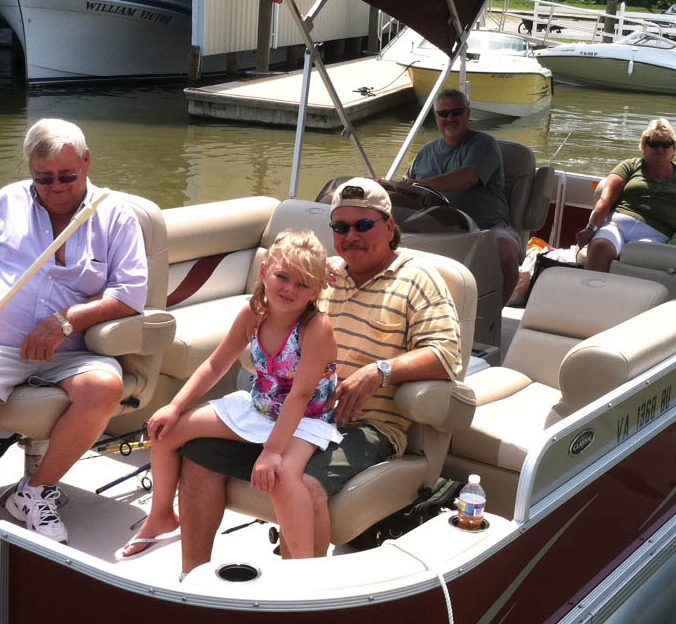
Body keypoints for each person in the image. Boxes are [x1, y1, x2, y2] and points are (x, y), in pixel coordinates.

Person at [175, 177, 461, 573]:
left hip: (369, 424)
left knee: (303, 483)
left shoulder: (420, 278)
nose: (351, 236)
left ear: (390, 227)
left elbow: (446, 356)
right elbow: (269, 316)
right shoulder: (320, 275)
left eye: (364, 225)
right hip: (298, 412)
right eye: (341, 227)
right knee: (198, 454)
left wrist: (378, 372)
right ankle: (193, 578)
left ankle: (301, 595)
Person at [0, 118, 148, 544]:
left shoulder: (115, 215)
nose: (56, 186)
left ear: (87, 162)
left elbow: (130, 295)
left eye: (67, 175)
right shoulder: (5, 201)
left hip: (71, 349)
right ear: (30, 169)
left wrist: (65, 321)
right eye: (43, 178)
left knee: (103, 386)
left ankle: (35, 491)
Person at [116, 231, 340, 561]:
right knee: (164, 431)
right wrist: (175, 406)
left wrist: (272, 453)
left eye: (303, 284)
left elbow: (301, 395)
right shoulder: (254, 314)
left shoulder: (316, 328)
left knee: (281, 479)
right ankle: (161, 515)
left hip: (305, 419)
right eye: (282, 276)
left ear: (317, 291)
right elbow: (216, 364)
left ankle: (302, 569)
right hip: (260, 407)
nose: (290, 288)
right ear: (265, 271)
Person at [400, 88, 522, 301]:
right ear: (436, 117)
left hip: (487, 226)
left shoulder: (484, 144)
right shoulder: (425, 152)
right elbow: (407, 188)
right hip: (434, 226)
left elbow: (468, 178)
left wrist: (423, 184)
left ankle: (495, 314)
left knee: (506, 252)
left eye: (456, 112)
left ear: (468, 113)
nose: (450, 118)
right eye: (443, 114)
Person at [577, 118, 676, 273]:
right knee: (600, 247)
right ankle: (590, 294)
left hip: (657, 234)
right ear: (644, 145)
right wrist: (590, 229)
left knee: (638, 256)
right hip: (616, 225)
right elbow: (606, 199)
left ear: (674, 148)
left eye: (666, 144)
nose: (660, 149)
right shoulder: (630, 165)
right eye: (654, 144)